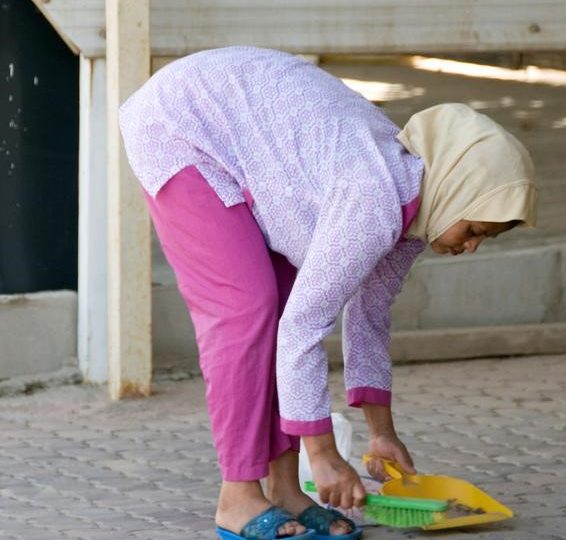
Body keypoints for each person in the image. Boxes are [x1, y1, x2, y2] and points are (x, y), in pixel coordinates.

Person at [119, 47, 537, 540]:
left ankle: (284, 489)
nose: (470, 246)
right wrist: (325, 456)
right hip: (180, 124)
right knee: (246, 309)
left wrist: (382, 435)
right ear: (457, 190)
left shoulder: (410, 217)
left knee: (282, 299)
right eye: (474, 228)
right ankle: (237, 496)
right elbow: (303, 331)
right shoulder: (373, 202)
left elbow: (369, 319)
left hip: (240, 130)